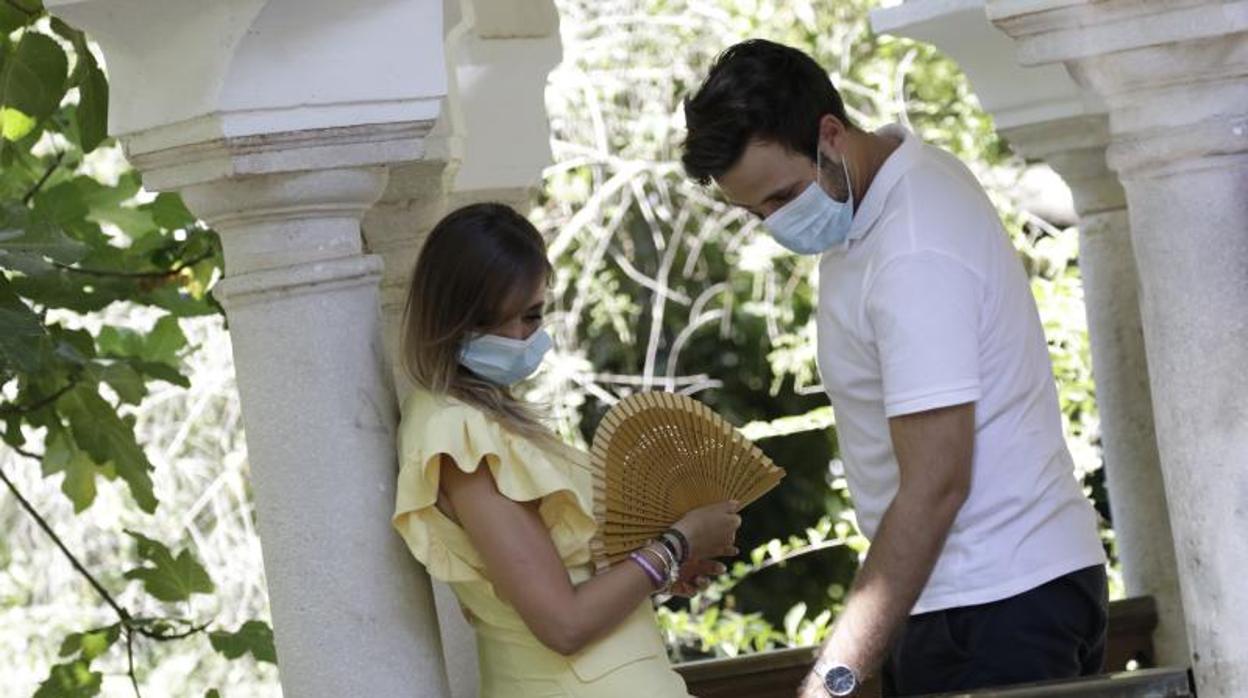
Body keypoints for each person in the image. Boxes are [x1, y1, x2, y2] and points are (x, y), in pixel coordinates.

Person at [681, 40, 1108, 697]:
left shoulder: (913, 247)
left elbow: (937, 481)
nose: (775, 224)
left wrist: (835, 678)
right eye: (754, 213)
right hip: (962, 594)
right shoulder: (884, 193)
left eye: (782, 197)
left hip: (996, 602)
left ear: (830, 134)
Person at [391, 203, 741, 698]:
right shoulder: (456, 432)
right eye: (493, 321)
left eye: (531, 316)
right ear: (448, 318)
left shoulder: (486, 419)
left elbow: (570, 585)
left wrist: (656, 571)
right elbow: (562, 624)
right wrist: (676, 544)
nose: (518, 337)